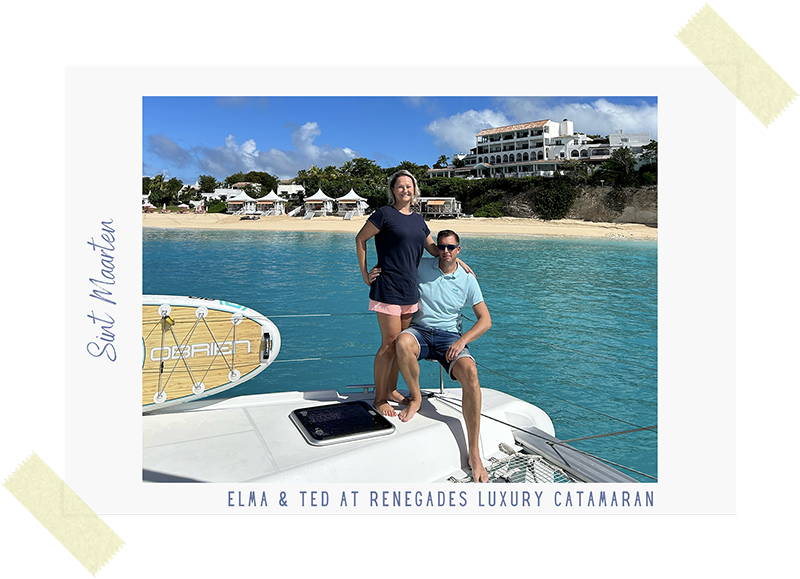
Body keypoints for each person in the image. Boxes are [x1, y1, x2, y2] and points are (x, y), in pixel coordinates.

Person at [356, 170, 458, 417]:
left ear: (415, 190)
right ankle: (380, 398)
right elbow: (361, 239)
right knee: (388, 345)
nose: (405, 190)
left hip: (410, 293)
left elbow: (434, 250)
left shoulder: (419, 220)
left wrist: (457, 259)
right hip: (387, 289)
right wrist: (364, 274)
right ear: (393, 190)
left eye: (409, 186)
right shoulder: (384, 214)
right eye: (400, 186)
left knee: (400, 347)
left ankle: (392, 390)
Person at [393, 229, 491, 483]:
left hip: (450, 337)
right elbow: (397, 261)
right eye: (442, 247)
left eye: (451, 247)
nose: (445, 251)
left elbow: (485, 320)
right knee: (402, 342)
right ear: (436, 248)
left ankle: (474, 453)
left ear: (459, 249)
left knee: (471, 373)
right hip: (420, 331)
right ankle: (416, 398)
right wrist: (373, 272)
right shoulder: (422, 266)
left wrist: (462, 341)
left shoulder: (468, 279)